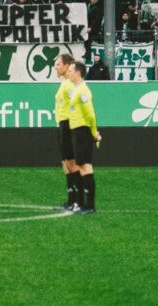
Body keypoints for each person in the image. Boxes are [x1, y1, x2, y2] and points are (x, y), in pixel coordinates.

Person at [68, 61, 102, 214]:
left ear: (78, 73)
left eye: (71, 70)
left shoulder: (83, 91)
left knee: (86, 166)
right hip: (77, 130)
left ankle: (90, 205)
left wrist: (94, 132)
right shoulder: (77, 89)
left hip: (83, 131)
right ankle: (85, 204)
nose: (69, 73)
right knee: (81, 165)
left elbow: (91, 114)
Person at [52, 54, 80, 211]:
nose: (55, 67)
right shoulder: (65, 83)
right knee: (66, 163)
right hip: (62, 123)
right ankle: (71, 200)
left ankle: (77, 201)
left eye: (58, 64)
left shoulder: (70, 84)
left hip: (69, 124)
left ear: (67, 66)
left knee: (72, 163)